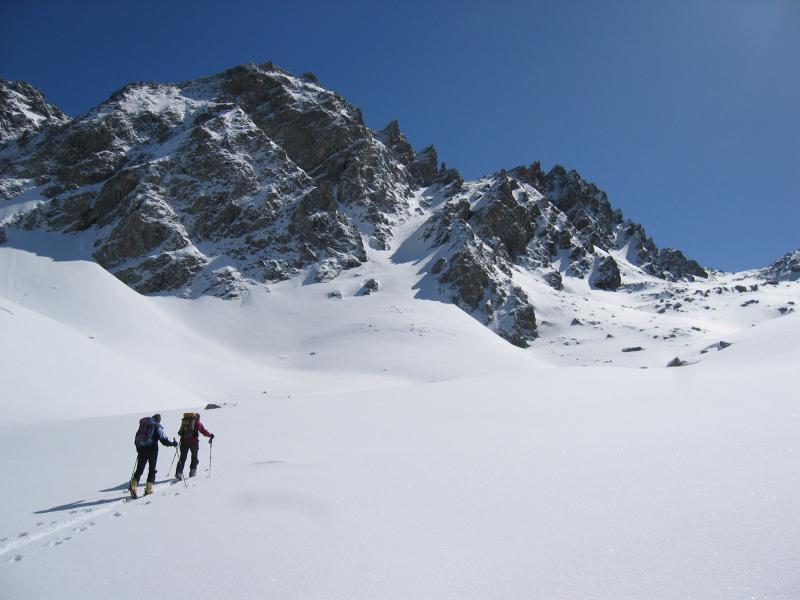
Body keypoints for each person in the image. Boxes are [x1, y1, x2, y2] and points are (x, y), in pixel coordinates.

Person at [129, 414, 177, 499]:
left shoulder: (143, 425)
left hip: (142, 450)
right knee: (152, 469)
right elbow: (163, 440)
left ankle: (133, 486)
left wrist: (138, 448)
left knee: (139, 469)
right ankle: (148, 489)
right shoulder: (156, 427)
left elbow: (136, 438)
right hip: (153, 451)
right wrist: (173, 444)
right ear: (158, 420)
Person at [175, 412, 214, 480]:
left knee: (182, 457)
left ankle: (179, 473)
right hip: (194, 443)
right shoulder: (198, 423)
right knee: (194, 456)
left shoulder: (185, 422)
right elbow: (203, 431)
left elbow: (181, 431)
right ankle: (192, 471)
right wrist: (210, 435)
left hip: (184, 442)